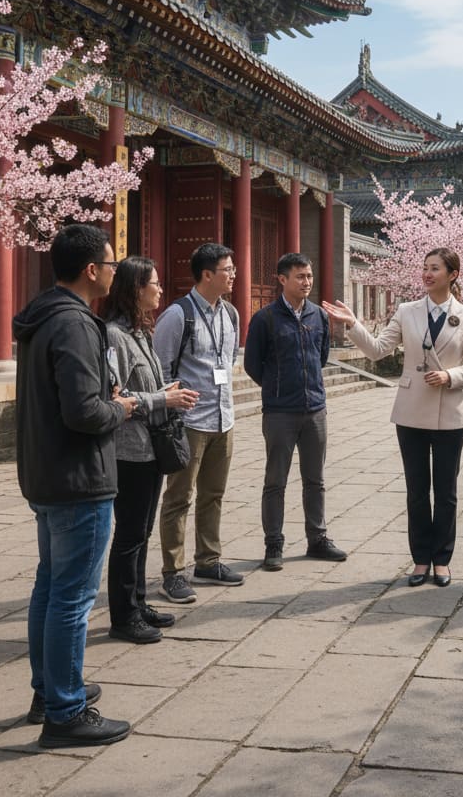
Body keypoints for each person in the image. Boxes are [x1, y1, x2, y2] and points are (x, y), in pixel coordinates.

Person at [13, 224, 136, 748]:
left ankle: (50, 689)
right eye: (110, 264)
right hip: (79, 477)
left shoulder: (42, 316)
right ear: (92, 270)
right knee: (72, 597)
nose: (114, 271)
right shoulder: (78, 324)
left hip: (45, 472)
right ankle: (64, 712)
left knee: (50, 587)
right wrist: (123, 407)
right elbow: (85, 413)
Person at [323, 248, 463, 587]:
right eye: (425, 268)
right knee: (416, 490)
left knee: (446, 491)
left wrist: (450, 376)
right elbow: (378, 349)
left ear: (453, 274)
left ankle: (442, 560)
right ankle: (420, 559)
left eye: (435, 269)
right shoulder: (407, 311)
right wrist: (352, 324)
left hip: (450, 414)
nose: (427, 274)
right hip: (410, 412)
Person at [103, 257, 199, 643]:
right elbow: (115, 397)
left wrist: (166, 394)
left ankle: (139, 603)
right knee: (128, 535)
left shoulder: (142, 332)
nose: (160, 289)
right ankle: (123, 616)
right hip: (129, 451)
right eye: (154, 283)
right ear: (135, 289)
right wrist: (163, 400)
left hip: (149, 448)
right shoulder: (114, 336)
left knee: (142, 531)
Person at [244, 253, 347, 571]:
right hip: (280, 413)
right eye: (300, 276)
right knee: (275, 480)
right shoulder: (266, 319)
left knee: (315, 480)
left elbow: (322, 356)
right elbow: (252, 364)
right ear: (282, 279)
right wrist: (278, 389)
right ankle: (273, 543)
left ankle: (317, 538)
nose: (307, 282)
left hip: (315, 409)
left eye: (309, 276)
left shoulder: (318, 315)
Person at [154, 243, 242, 602]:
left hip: (223, 417)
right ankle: (172, 572)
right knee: (178, 496)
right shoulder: (178, 315)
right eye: (228, 269)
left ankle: (208, 559)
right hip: (189, 421)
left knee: (214, 494)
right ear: (207, 274)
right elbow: (159, 369)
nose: (233, 274)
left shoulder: (230, 314)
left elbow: (228, 359)